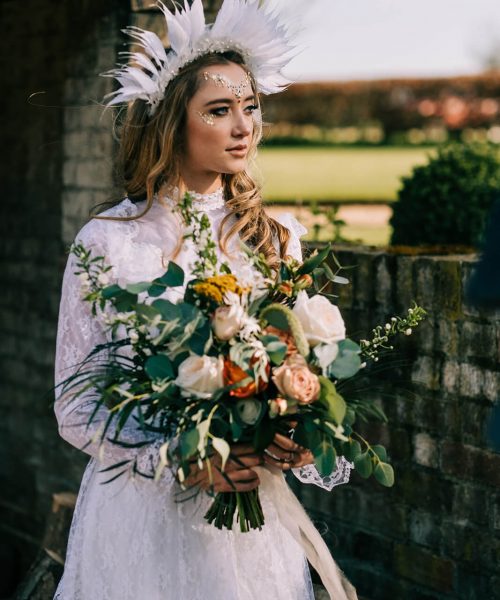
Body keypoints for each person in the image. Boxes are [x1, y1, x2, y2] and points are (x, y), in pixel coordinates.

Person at [54, 2, 357, 598]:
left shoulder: (277, 238)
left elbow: (301, 370)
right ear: (172, 123)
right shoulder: (110, 242)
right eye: (219, 110)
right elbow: (75, 405)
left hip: (253, 523)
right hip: (143, 517)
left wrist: (290, 432)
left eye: (250, 107)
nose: (244, 125)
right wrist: (182, 456)